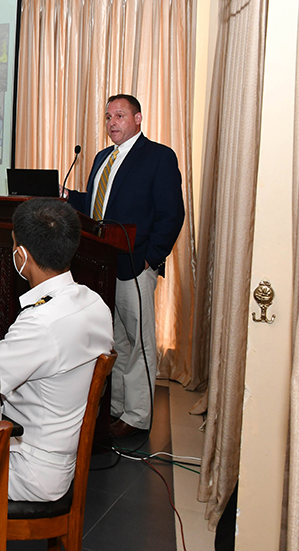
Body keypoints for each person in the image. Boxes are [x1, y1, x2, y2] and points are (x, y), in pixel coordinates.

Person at [64, 94, 185, 437]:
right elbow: (100, 206)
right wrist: (69, 198)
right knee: (115, 342)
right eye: (107, 117)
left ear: (138, 118)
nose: (112, 122)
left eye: (119, 115)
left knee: (140, 342)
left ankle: (138, 416)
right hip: (101, 265)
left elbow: (172, 213)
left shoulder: (158, 157)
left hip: (136, 263)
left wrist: (151, 257)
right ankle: (116, 408)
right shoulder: (103, 157)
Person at [0, 199, 113, 502]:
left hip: (28, 467)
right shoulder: (94, 303)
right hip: (59, 460)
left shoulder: (41, 323)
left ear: (21, 255)